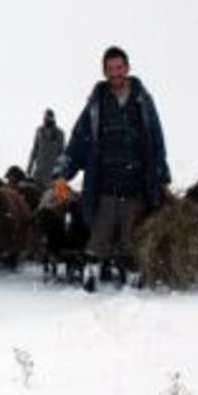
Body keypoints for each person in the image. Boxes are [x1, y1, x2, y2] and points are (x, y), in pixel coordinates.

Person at [52, 46, 171, 292]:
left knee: (132, 241)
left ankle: (132, 279)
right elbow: (78, 141)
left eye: (119, 68)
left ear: (127, 68)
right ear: (104, 72)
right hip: (104, 186)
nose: (116, 73)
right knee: (98, 238)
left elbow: (157, 141)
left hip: (136, 186)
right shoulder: (97, 106)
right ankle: (91, 274)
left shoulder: (143, 102)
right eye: (110, 69)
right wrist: (62, 174)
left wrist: (161, 178)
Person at [26, 109, 65, 188]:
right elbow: (34, 149)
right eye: (45, 117)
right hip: (39, 171)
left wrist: (60, 172)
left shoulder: (59, 133)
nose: (46, 119)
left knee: (51, 195)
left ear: (53, 118)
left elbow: (62, 154)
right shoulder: (39, 131)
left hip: (52, 172)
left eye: (48, 118)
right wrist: (29, 167)